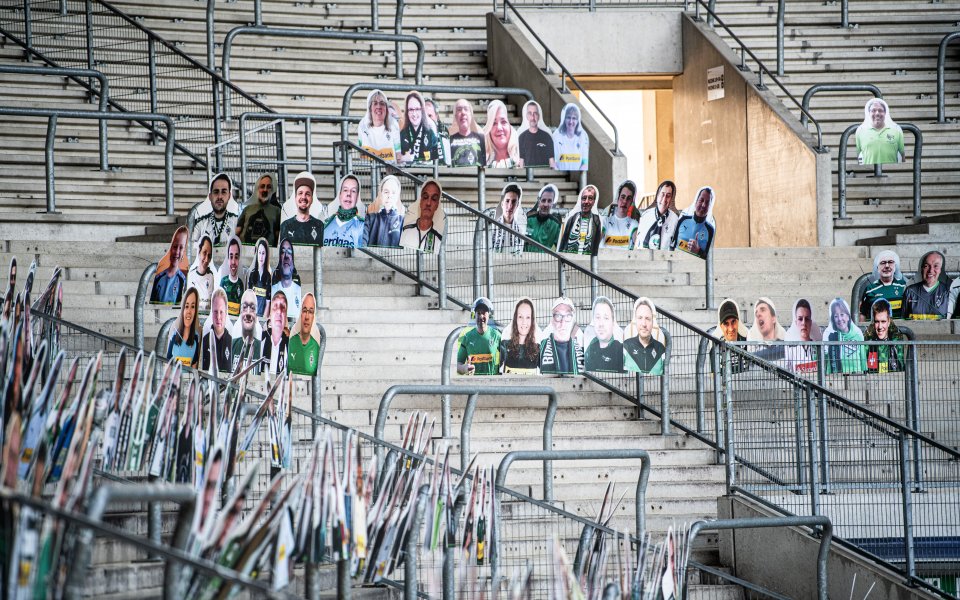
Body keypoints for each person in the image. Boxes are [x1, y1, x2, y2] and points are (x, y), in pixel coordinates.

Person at [456, 297, 501, 375]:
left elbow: (508, 358)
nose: (481, 316)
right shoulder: (467, 337)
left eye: (484, 313)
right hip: (473, 383)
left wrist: (499, 368)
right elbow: (458, 364)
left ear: (488, 315)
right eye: (479, 313)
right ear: (475, 315)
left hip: (492, 382)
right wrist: (464, 368)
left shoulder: (496, 335)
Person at [192, 173, 240, 247]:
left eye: (223, 192)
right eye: (216, 192)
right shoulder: (200, 224)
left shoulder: (236, 223)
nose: (219, 196)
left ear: (229, 196)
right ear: (210, 196)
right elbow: (191, 247)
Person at [539, 297, 584, 375]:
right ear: (552, 320)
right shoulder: (540, 348)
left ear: (573, 321)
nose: (563, 322)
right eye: (558, 316)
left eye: (568, 316)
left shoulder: (583, 349)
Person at [858, 250, 907, 321]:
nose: (887, 266)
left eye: (890, 262)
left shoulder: (904, 286)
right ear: (877, 267)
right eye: (883, 263)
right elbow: (863, 315)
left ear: (895, 266)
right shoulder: (869, 289)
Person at [400, 179, 445, 254]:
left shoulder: (439, 238)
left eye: (434, 199)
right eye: (425, 197)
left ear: (437, 205)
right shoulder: (406, 231)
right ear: (420, 201)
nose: (428, 203)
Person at [279, 171, 325, 246]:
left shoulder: (320, 226)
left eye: (307, 194)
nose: (303, 197)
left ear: (312, 199)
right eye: (300, 193)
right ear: (295, 198)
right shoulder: (285, 226)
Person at [902, 250, 951, 319]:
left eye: (936, 266)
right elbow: (903, 321)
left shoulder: (948, 292)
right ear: (921, 269)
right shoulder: (910, 291)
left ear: (940, 270)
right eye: (926, 266)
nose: (930, 270)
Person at [235, 173, 281, 246]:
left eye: (268, 187)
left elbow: (278, 237)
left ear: (272, 190)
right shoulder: (247, 209)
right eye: (262, 186)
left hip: (266, 253)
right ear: (258, 189)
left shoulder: (277, 211)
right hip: (245, 250)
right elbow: (236, 231)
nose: (265, 190)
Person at [623, 297, 666, 375]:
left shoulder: (661, 348)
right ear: (635, 321)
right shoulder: (626, 346)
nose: (644, 324)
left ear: (653, 322)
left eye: (647, 318)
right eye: (640, 318)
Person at [855, 98, 905, 165]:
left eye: (880, 110)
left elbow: (903, 155)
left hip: (892, 174)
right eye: (873, 110)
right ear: (869, 113)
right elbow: (856, 157)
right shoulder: (860, 132)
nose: (877, 113)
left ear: (885, 113)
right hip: (870, 173)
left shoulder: (896, 131)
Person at [672, 186, 716, 259]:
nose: (703, 205)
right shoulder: (682, 220)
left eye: (707, 203)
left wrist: (698, 251)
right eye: (701, 200)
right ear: (695, 202)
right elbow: (671, 246)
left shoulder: (710, 230)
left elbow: (709, 259)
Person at [358, 89, 402, 163]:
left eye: (382, 103)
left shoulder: (393, 124)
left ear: (386, 108)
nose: (379, 107)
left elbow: (398, 153)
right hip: (369, 169)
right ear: (370, 108)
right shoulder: (362, 125)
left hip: (389, 169)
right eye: (375, 103)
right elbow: (360, 150)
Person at [824, 297, 866, 374]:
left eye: (842, 314)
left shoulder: (858, 334)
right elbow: (828, 362)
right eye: (836, 316)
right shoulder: (830, 336)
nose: (839, 319)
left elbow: (863, 359)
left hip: (856, 379)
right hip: (837, 380)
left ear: (848, 316)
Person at [499, 297, 540, 374]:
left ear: (532, 320)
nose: (524, 322)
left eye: (528, 317)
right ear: (515, 319)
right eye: (520, 317)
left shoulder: (538, 350)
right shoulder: (505, 346)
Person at [323, 174, 365, 248]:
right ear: (340, 195)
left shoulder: (363, 227)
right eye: (345, 190)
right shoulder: (326, 225)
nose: (349, 194)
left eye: (353, 191)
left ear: (357, 197)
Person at [557, 185, 602, 256]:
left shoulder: (597, 221)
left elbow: (597, 246)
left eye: (590, 198)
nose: (586, 202)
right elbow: (563, 243)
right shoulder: (572, 219)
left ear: (594, 202)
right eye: (584, 198)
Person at [864, 298, 905, 373]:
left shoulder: (897, 341)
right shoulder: (866, 341)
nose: (880, 327)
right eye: (877, 322)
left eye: (883, 321)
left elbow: (901, 369)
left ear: (889, 322)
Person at [635, 180, 679, 251]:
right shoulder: (645, 216)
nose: (664, 199)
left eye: (668, 196)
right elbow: (638, 242)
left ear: (671, 199)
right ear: (657, 195)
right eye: (662, 194)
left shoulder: (675, 220)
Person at [584, 296, 624, 373]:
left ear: (613, 322)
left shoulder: (620, 350)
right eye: (598, 317)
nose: (601, 324)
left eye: (606, 318)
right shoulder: (590, 348)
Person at [363, 175, 404, 248]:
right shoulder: (369, 219)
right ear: (380, 194)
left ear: (398, 196)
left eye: (393, 192)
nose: (389, 196)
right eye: (386, 192)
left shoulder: (403, 222)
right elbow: (362, 244)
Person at [151, 226, 189, 304]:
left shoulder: (184, 281)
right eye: (175, 246)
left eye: (181, 248)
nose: (177, 252)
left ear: (184, 251)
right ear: (170, 248)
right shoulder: (158, 278)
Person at [399, 90, 439, 164]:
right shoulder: (402, 135)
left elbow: (437, 160)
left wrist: (428, 161)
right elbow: (395, 161)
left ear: (422, 110)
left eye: (417, 109)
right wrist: (402, 159)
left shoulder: (430, 134)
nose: (414, 114)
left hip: (427, 174)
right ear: (407, 112)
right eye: (411, 110)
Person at [784, 299, 822, 375]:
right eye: (800, 319)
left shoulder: (819, 347)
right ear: (796, 322)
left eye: (807, 319)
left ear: (811, 323)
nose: (804, 323)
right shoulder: (791, 349)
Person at [288, 292, 322, 376]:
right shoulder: (292, 340)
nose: (307, 317)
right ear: (300, 313)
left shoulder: (317, 344)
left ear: (314, 316)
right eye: (304, 311)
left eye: (310, 312)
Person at [166, 286, 200, 368]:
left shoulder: (196, 338)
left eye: (192, 307)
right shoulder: (174, 335)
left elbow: (194, 367)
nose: (189, 311)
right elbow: (167, 365)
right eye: (186, 306)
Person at [229, 288, 262, 372]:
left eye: (252, 308)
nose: (248, 313)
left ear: (256, 314)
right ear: (240, 312)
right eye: (244, 307)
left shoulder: (262, 349)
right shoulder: (231, 346)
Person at [600, 180, 639, 250]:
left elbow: (638, 244)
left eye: (629, 198)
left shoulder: (634, 224)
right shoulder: (605, 221)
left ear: (631, 203)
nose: (625, 201)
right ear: (617, 199)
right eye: (623, 197)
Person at [201, 288, 233, 373]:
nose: (218, 317)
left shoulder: (232, 343)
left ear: (226, 313)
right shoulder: (203, 341)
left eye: (221, 312)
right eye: (215, 312)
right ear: (211, 313)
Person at [714, 298, 749, 374]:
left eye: (733, 322)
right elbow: (714, 376)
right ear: (721, 326)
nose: (731, 328)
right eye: (726, 324)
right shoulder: (716, 347)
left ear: (738, 322)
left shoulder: (747, 343)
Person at [524, 184, 562, 253]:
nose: (546, 204)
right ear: (539, 202)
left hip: (545, 261)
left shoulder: (556, 225)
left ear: (553, 204)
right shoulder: (528, 220)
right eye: (543, 200)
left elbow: (559, 247)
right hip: (526, 259)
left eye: (549, 201)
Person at [489, 183, 526, 254]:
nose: (510, 206)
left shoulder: (521, 229)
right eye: (507, 201)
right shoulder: (492, 226)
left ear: (517, 205)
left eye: (514, 201)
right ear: (502, 204)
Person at [517, 100, 554, 168]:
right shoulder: (521, 137)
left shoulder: (547, 136)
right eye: (530, 113)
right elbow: (521, 162)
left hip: (545, 175)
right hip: (529, 176)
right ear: (527, 116)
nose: (533, 117)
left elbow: (552, 161)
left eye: (535, 113)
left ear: (539, 116)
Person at [271, 238, 302, 321]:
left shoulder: (299, 290)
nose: (286, 256)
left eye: (289, 252)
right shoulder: (273, 290)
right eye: (283, 252)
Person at [483, 100, 520, 169]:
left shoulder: (523, 152)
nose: (499, 128)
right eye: (494, 123)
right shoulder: (481, 158)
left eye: (503, 122)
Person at [448, 99, 485, 167]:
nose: (463, 112)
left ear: (471, 115)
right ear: (455, 117)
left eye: (466, 109)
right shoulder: (449, 141)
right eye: (459, 109)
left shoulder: (481, 138)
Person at [261, 290, 289, 377]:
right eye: (275, 307)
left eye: (283, 307)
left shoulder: (290, 343)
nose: (279, 311)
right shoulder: (261, 338)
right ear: (270, 314)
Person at [552, 103, 589, 171]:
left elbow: (585, 163)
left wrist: (576, 175)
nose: (571, 121)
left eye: (574, 118)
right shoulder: (556, 137)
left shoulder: (582, 138)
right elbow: (552, 162)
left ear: (578, 121)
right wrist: (558, 173)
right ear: (564, 119)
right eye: (568, 117)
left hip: (577, 178)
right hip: (560, 177)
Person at [187, 235, 216, 314]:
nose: (206, 259)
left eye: (209, 256)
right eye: (204, 253)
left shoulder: (211, 277)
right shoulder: (190, 275)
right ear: (199, 251)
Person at [216, 235, 245, 316]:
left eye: (236, 257)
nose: (233, 262)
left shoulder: (240, 284)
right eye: (231, 256)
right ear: (227, 259)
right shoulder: (223, 282)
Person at [246, 237, 271, 317]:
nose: (261, 256)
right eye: (259, 253)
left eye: (263, 253)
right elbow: (248, 300)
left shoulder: (268, 277)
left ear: (266, 255)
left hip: (262, 317)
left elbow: (268, 303)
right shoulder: (252, 274)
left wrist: (263, 321)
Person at [424, 98, 450, 166]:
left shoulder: (444, 136)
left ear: (436, 116)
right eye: (424, 116)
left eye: (430, 116)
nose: (427, 120)